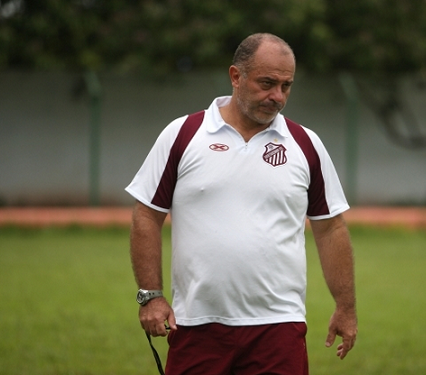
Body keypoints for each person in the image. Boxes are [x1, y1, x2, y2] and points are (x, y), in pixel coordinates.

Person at [126, 33, 357, 375]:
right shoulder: (184, 134)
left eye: (286, 86)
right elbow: (146, 215)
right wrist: (150, 295)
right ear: (236, 76)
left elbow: (330, 228)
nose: (277, 96)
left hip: (279, 326)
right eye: (267, 83)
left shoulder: (306, 144)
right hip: (197, 323)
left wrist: (346, 307)